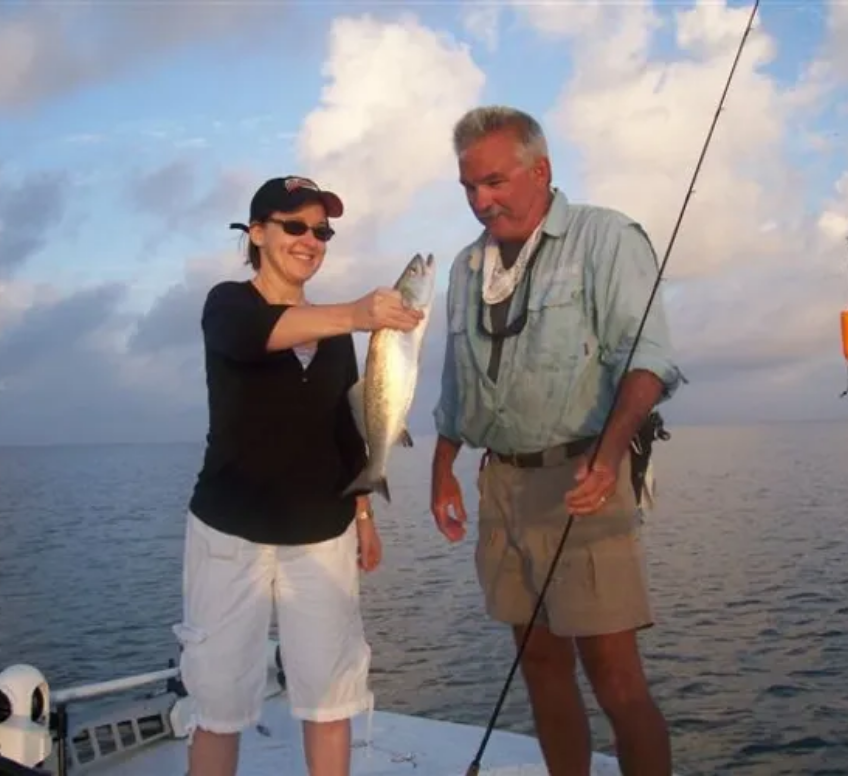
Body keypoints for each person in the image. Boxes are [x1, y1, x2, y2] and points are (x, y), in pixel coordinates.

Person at [430, 106, 685, 776]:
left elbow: (649, 359)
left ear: (540, 170)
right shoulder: (465, 267)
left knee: (614, 675)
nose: (480, 201)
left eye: (494, 182)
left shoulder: (606, 238)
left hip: (581, 477)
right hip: (500, 481)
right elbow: (456, 382)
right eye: (468, 187)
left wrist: (608, 456)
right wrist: (442, 467)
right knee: (539, 661)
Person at [174, 174, 423, 776]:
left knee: (330, 698)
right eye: (295, 227)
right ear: (257, 233)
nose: (311, 240)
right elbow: (250, 337)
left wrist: (364, 513)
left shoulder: (335, 334)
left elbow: (349, 427)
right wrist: (356, 314)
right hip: (229, 532)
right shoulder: (227, 304)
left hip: (322, 532)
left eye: (322, 231)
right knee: (219, 703)